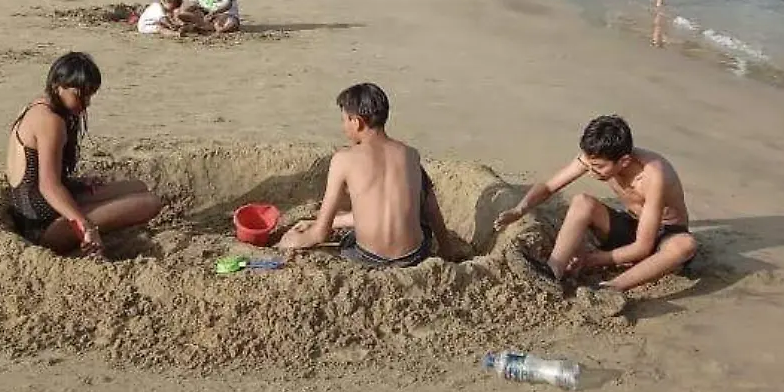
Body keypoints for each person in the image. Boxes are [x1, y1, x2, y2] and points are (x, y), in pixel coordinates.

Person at [493, 115, 696, 294]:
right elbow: (548, 186)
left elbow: (643, 247)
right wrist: (519, 209)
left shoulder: (653, 175)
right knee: (582, 202)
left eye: (598, 167)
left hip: (665, 236)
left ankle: (609, 289)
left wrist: (592, 259)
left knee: (685, 246)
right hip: (633, 224)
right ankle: (553, 269)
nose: (590, 171)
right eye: (589, 164)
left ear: (624, 161)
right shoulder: (596, 156)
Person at [277, 83, 457, 267]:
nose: (343, 127)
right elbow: (431, 207)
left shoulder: (343, 160)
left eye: (345, 120)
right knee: (414, 209)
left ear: (357, 122)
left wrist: (288, 243)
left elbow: (319, 235)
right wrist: (446, 249)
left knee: (348, 240)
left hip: (369, 258)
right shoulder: (411, 154)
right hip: (413, 257)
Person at [6, 52, 161, 253]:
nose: (86, 103)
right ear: (58, 85)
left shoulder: (37, 106)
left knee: (138, 186)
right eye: (81, 95)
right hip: (42, 228)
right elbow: (48, 187)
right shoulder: (50, 121)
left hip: (34, 210)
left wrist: (77, 184)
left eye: (90, 95)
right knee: (149, 203)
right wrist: (85, 225)